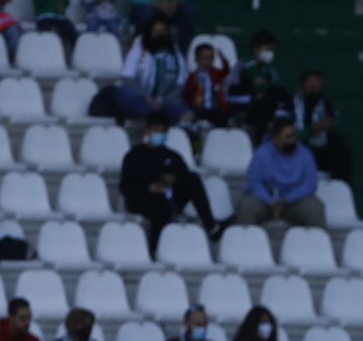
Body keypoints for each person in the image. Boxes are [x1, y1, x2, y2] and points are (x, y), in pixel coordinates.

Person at [119, 110, 225, 254]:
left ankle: (210, 225)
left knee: (192, 179)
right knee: (161, 207)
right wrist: (149, 188)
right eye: (156, 130)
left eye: (163, 131)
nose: (159, 134)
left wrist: (175, 179)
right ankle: (155, 251)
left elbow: (184, 176)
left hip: (169, 195)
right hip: (142, 198)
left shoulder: (172, 156)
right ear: (147, 131)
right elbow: (125, 187)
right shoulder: (134, 156)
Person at [236, 119, 325, 227]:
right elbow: (254, 183)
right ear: (275, 138)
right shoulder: (262, 154)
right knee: (245, 206)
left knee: (315, 209)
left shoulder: (305, 154)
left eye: (293, 136)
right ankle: (249, 243)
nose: (292, 140)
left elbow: (310, 185)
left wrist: (286, 200)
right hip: (266, 202)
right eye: (287, 137)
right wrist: (270, 201)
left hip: (295, 202)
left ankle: (314, 244)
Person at [115, 18, 189, 125]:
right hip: (141, 99)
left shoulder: (176, 56)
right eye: (156, 31)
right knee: (123, 95)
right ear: (149, 34)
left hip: (166, 102)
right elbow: (127, 79)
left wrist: (163, 101)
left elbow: (180, 85)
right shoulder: (137, 51)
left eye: (163, 31)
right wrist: (147, 97)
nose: (160, 35)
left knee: (188, 114)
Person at [284, 70, 352, 183]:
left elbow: (339, 126)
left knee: (341, 148)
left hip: (320, 150)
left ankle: (339, 185)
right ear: (302, 86)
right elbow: (282, 134)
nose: (314, 88)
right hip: (297, 149)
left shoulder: (327, 104)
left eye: (317, 86)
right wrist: (312, 130)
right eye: (311, 85)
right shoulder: (289, 104)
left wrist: (332, 125)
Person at [227, 30, 287, 138]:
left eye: (272, 50)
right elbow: (231, 94)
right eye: (267, 49)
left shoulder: (272, 71)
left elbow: (279, 94)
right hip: (244, 112)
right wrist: (253, 92)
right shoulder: (241, 67)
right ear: (256, 49)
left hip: (267, 115)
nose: (270, 53)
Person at [182, 40, 231, 129]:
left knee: (222, 122)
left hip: (216, 108)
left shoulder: (216, 73)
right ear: (196, 59)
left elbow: (226, 70)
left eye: (210, 58)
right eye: (204, 58)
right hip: (199, 109)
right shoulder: (193, 76)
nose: (207, 61)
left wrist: (221, 56)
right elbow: (187, 93)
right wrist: (195, 90)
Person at [128, 0, 195, 49]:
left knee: (187, 11)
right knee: (145, 14)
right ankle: (143, 52)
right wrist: (152, 2)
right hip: (147, 4)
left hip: (171, 3)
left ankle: (182, 53)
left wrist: (176, 0)